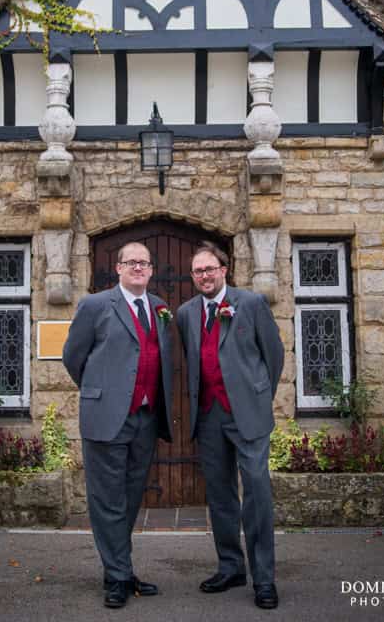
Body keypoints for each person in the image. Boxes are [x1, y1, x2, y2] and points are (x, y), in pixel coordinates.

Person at [62, 241, 174, 609]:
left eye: (145, 262)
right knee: (106, 500)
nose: (138, 268)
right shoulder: (95, 305)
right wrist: (100, 391)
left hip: (144, 418)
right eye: (131, 262)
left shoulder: (159, 308)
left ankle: (120, 568)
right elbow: (73, 357)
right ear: (119, 268)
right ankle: (117, 577)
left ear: (151, 270)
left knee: (127, 500)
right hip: (106, 416)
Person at [176, 241, 284, 610]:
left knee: (256, 494)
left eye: (210, 268)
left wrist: (256, 397)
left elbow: (274, 356)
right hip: (208, 416)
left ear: (224, 270)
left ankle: (264, 579)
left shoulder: (250, 304)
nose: (204, 275)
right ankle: (231, 566)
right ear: (193, 276)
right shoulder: (186, 313)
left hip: (248, 415)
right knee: (221, 496)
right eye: (198, 271)